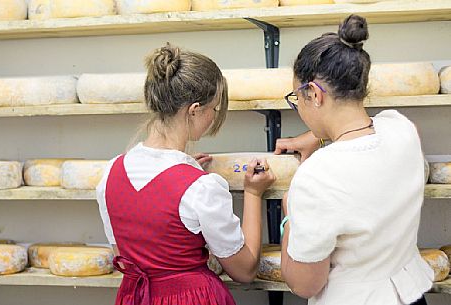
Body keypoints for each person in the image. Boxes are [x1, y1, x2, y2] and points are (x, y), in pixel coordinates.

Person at [96, 43, 276, 305]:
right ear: (194, 110)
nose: (214, 116)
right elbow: (244, 270)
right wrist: (252, 193)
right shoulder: (201, 188)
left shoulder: (110, 173)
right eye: (213, 108)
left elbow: (128, 252)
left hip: (135, 296)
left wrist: (178, 172)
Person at [276, 14, 433, 305]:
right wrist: (316, 135)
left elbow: (305, 284)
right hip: (409, 296)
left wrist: (289, 217)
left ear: (314, 94)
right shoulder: (402, 130)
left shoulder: (315, 176)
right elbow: (367, 127)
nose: (298, 106)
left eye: (297, 98)